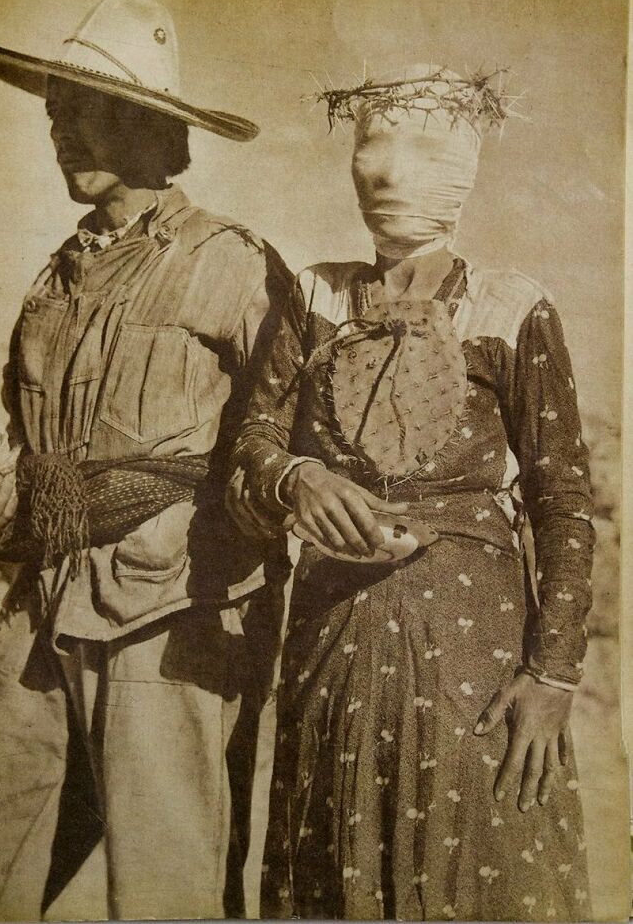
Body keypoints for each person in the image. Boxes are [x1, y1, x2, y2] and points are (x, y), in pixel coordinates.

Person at [0, 0, 291, 921]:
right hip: (43, 600)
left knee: (165, 886)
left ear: (148, 125)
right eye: (54, 107)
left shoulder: (235, 263)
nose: (61, 128)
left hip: (171, 616)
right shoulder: (56, 273)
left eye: (84, 107)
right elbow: (20, 434)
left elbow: (283, 436)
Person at [228, 66, 594, 920]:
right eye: (374, 146)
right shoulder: (315, 295)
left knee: (480, 853)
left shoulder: (512, 306)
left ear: (464, 165)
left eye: (423, 149)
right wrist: (297, 474)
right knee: (334, 841)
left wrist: (553, 672)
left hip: (476, 646)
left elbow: (561, 497)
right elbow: (254, 438)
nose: (391, 171)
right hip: (335, 639)